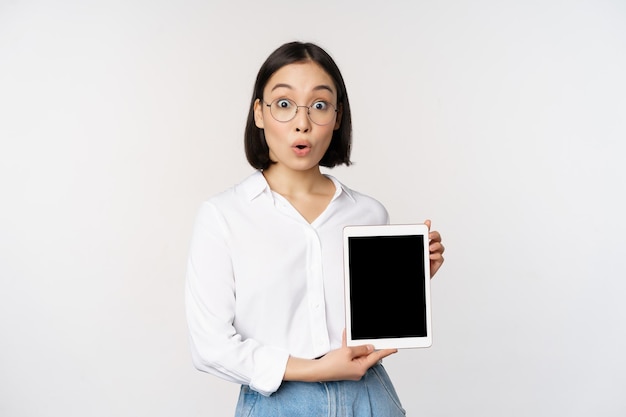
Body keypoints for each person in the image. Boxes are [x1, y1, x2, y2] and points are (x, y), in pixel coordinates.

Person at [185, 41, 445, 416]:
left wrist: (409, 280)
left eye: (320, 105)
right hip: (279, 403)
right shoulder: (223, 215)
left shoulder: (368, 213)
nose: (302, 122)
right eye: (284, 104)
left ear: (337, 117)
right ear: (259, 113)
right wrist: (316, 369)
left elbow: (365, 329)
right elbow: (210, 347)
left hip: (369, 398)